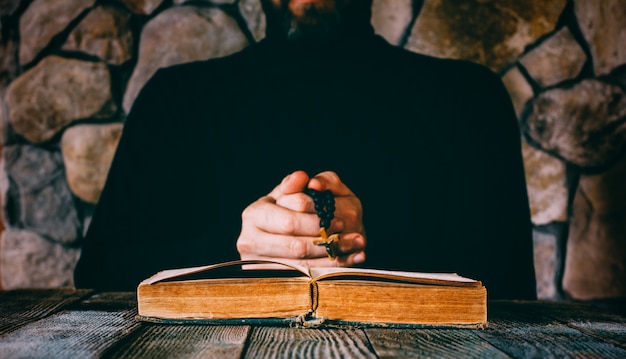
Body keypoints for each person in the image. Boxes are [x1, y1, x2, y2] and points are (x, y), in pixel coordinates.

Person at [74, 0, 537, 300]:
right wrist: (237, 252)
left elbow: (511, 288)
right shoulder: (173, 100)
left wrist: (357, 243)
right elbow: (101, 274)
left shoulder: (469, 99)